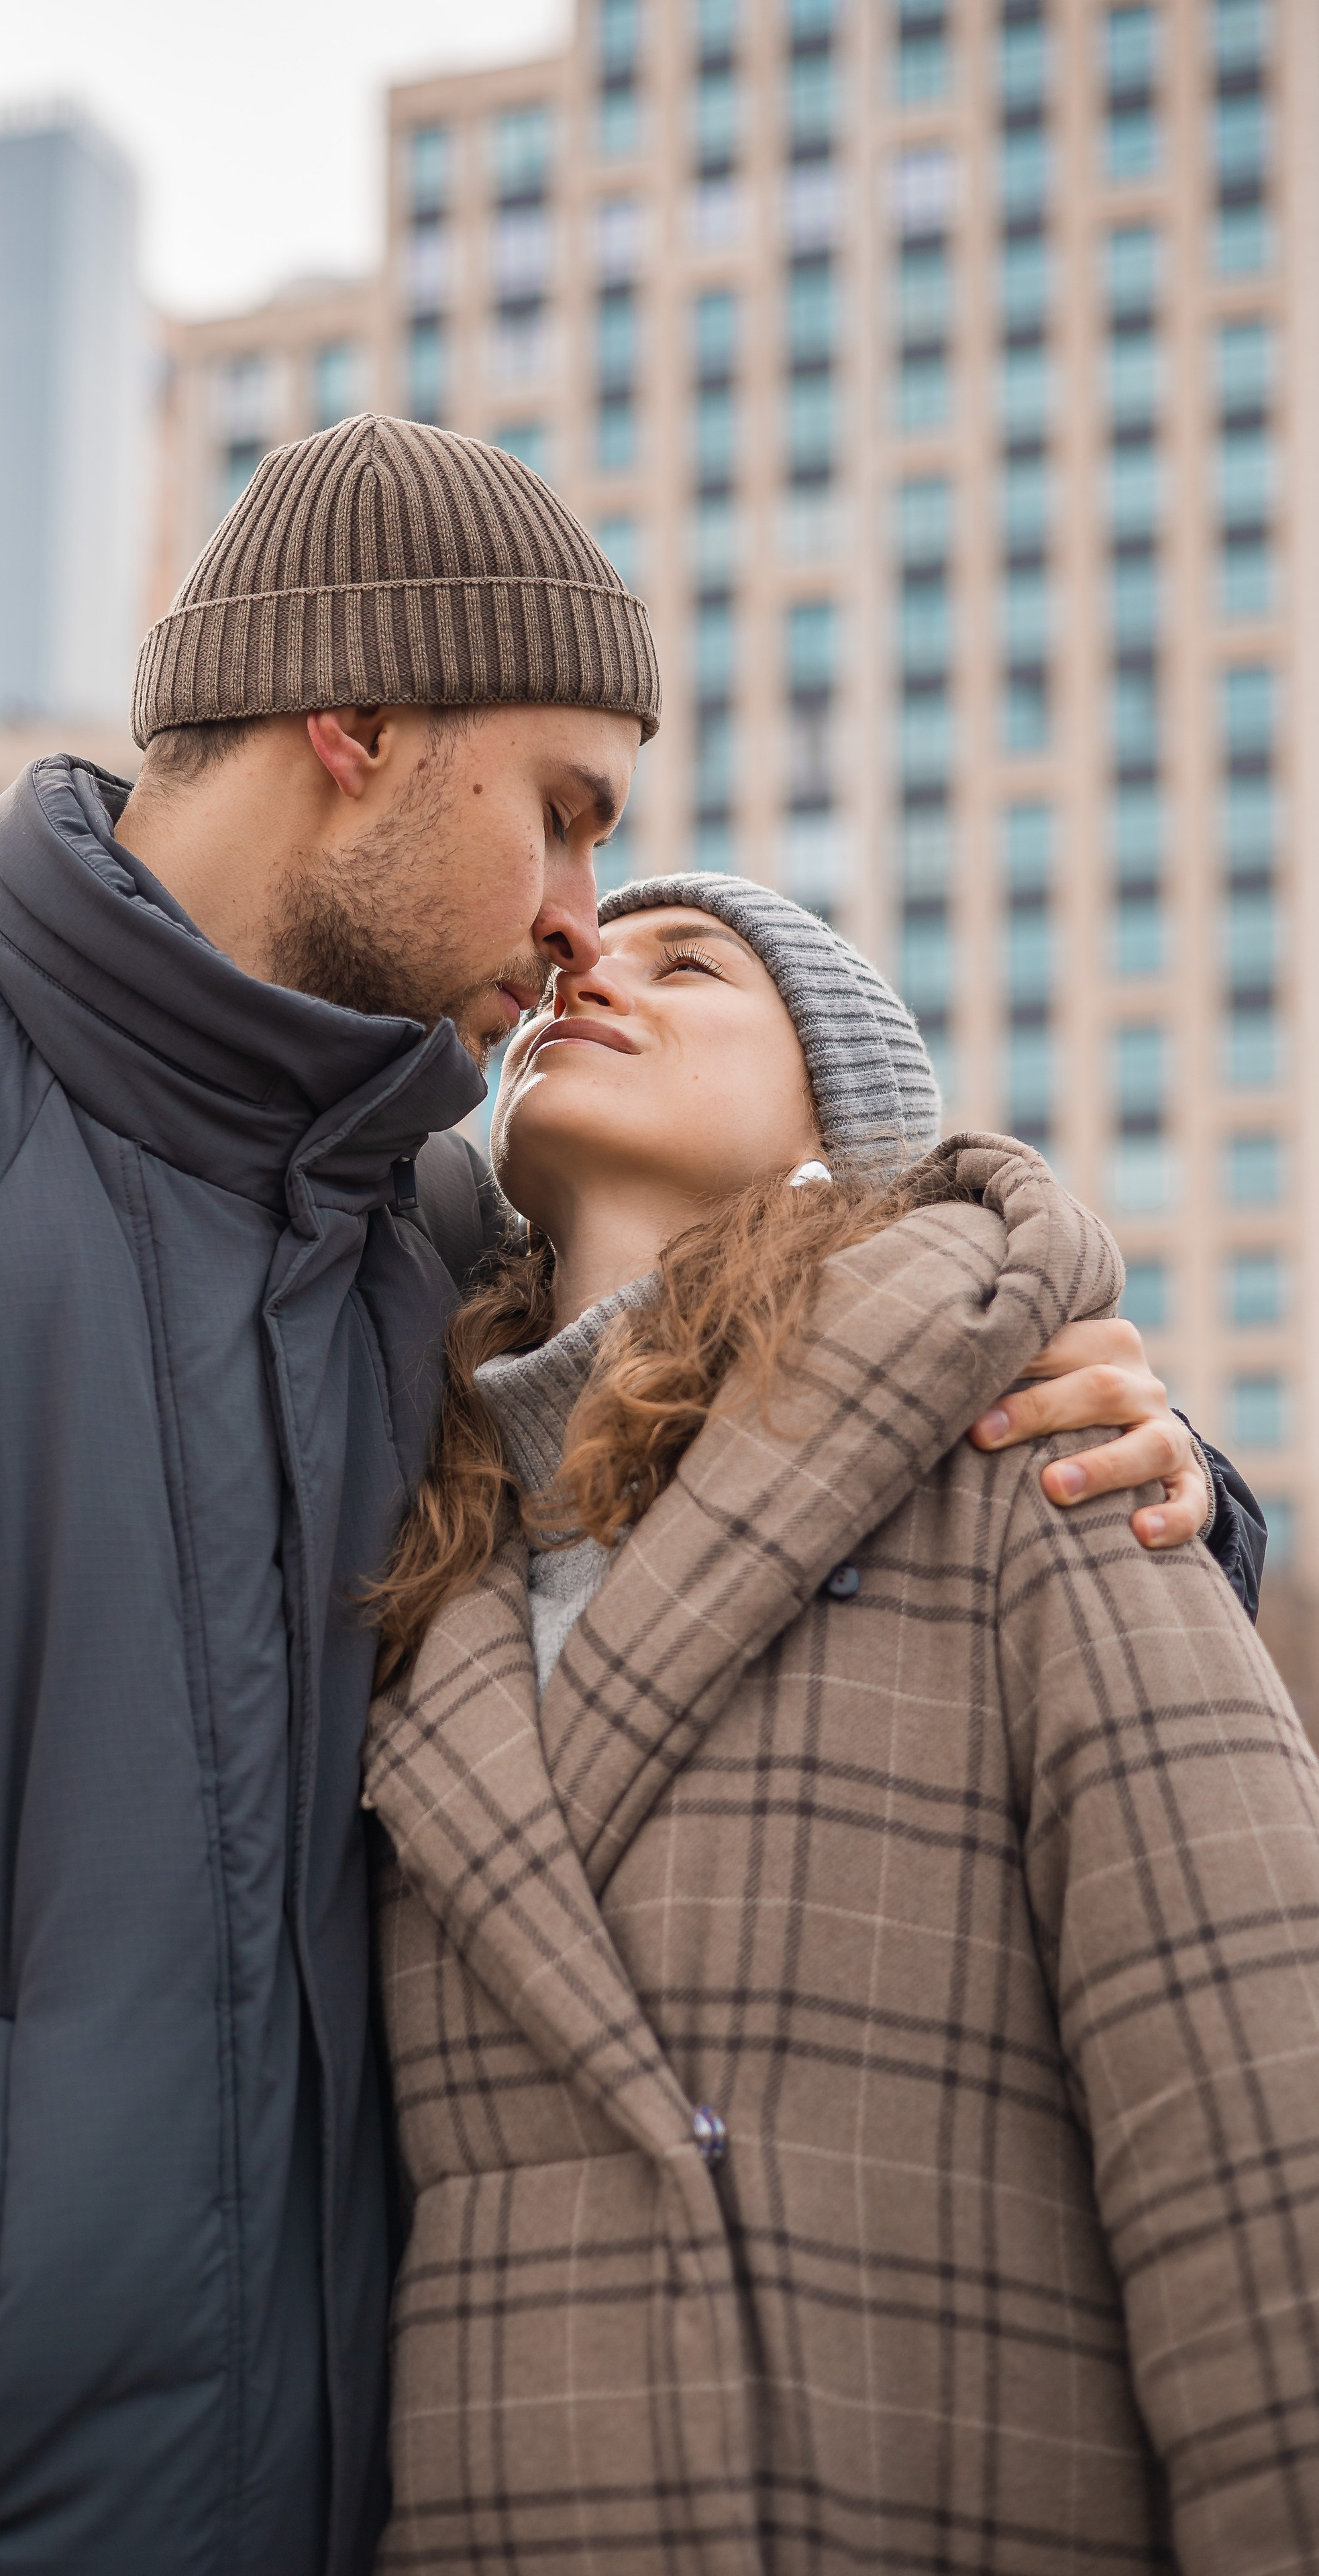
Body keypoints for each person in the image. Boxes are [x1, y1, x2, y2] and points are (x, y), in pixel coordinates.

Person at [0, 422, 1261, 2576]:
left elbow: (775, 1416)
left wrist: (1163, 1491)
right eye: (566, 813)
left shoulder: (440, 1261)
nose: (584, 920)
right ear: (358, 721)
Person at [364, 873, 1319, 2576]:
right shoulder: (417, 1561)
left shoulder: (1035, 1456)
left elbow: (1256, 2124)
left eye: (691, 965)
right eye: (589, 945)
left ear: (835, 1114)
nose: (588, 964)